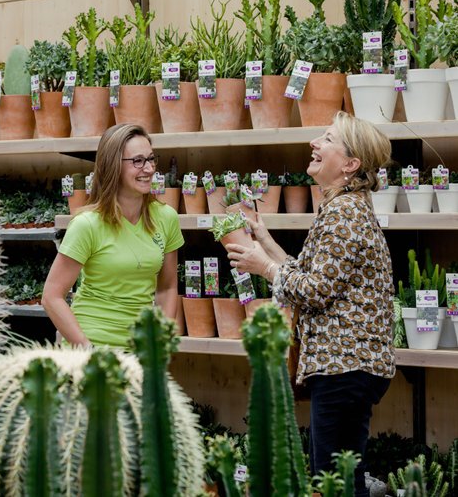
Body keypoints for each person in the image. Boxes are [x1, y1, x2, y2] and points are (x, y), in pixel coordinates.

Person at [226, 111, 396, 496]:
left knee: (333, 481)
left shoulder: (344, 214)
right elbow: (309, 274)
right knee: (338, 475)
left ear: (350, 165)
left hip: (344, 365)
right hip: (345, 366)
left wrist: (264, 267)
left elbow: (315, 290)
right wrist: (264, 239)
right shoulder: (344, 209)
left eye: (328, 139)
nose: (315, 144)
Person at [42, 123, 184, 348]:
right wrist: (86, 349)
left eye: (151, 159)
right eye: (137, 161)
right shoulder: (87, 224)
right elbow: (51, 296)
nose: (148, 169)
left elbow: (167, 288)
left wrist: (160, 345)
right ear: (113, 165)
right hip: (92, 349)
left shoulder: (167, 218)